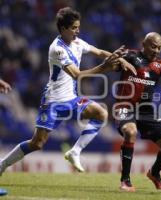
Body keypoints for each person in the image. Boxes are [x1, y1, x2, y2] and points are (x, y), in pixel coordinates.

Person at [0, 7, 136, 175]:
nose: (77, 31)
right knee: (37, 143)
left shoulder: (78, 42)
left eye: (78, 27)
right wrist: (104, 67)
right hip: (53, 102)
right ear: (63, 28)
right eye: (74, 28)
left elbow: (99, 52)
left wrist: (121, 59)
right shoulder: (57, 49)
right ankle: (3, 164)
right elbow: (77, 74)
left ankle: (75, 151)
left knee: (101, 113)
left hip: (71, 99)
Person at [114, 32, 161, 192]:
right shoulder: (130, 55)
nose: (157, 50)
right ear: (143, 44)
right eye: (153, 46)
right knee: (130, 131)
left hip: (146, 111)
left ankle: (154, 173)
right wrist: (115, 59)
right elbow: (112, 64)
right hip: (125, 106)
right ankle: (125, 181)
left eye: (160, 47)